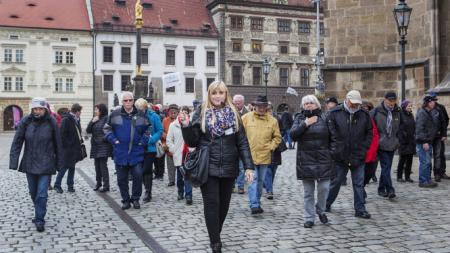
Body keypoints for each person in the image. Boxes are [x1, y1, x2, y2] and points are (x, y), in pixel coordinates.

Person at [179, 81, 254, 253]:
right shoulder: (201, 112)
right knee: (212, 204)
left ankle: (215, 232)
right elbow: (192, 141)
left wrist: (249, 166)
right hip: (208, 165)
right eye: (214, 93)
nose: (217, 96)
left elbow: (242, 142)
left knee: (224, 205)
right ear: (209, 94)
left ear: (226, 94)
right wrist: (186, 126)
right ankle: (215, 242)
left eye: (221, 92)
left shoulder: (234, 113)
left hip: (229, 165)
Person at [9, 97, 63, 232]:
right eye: (35, 109)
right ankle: (39, 209)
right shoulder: (25, 122)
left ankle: (40, 219)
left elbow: (58, 144)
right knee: (33, 193)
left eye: (40, 109)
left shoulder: (51, 123)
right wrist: (13, 162)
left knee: (42, 194)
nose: (38, 111)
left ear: (45, 109)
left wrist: (59, 163)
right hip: (30, 162)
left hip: (46, 163)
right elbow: (17, 142)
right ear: (32, 109)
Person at [326, 90, 373, 219]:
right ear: (347, 100)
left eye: (357, 103)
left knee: (358, 183)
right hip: (340, 155)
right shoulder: (334, 113)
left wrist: (364, 148)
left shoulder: (364, 114)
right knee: (335, 182)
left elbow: (369, 133)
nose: (355, 106)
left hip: (358, 154)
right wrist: (335, 149)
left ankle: (360, 209)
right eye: (353, 103)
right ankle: (326, 203)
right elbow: (330, 134)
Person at [290, 95, 334, 228]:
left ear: (317, 105)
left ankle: (320, 209)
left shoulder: (325, 117)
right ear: (303, 106)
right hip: (306, 160)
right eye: (306, 103)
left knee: (324, 188)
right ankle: (309, 218)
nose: (308, 105)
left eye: (311, 103)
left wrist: (331, 154)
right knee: (308, 192)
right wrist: (305, 124)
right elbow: (292, 135)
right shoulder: (299, 118)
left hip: (324, 159)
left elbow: (334, 137)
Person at [104, 92, 151, 209]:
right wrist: (114, 140)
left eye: (130, 100)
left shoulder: (140, 114)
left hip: (136, 152)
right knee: (121, 179)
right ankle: (125, 200)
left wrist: (143, 141)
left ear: (133, 100)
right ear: (122, 102)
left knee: (138, 176)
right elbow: (106, 129)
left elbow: (148, 128)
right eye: (126, 100)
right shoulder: (115, 114)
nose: (128, 102)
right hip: (121, 152)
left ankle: (135, 198)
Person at [242, 95, 282, 215]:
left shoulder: (272, 120)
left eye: (263, 106)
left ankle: (257, 202)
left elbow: (277, 137)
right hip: (250, 156)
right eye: (258, 105)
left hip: (265, 156)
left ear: (266, 107)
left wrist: (271, 147)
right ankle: (254, 205)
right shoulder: (245, 118)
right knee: (252, 180)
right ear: (254, 106)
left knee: (260, 181)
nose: (261, 108)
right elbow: (240, 136)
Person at [371, 92, 401, 199]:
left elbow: (401, 127)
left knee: (386, 167)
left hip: (392, 144)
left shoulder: (398, 111)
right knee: (386, 167)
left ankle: (381, 188)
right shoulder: (376, 111)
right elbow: (370, 127)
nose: (392, 103)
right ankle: (390, 189)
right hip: (381, 144)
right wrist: (376, 141)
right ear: (385, 100)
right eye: (390, 100)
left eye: (394, 100)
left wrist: (398, 140)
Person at [135, 99, 163, 203]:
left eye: (142, 109)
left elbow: (159, 130)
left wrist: (151, 140)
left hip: (150, 148)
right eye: (138, 109)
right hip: (138, 147)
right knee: (139, 170)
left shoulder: (154, 116)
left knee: (147, 169)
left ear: (146, 107)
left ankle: (148, 192)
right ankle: (146, 187)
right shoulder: (135, 116)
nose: (140, 111)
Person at [54, 103, 84, 194]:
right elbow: (62, 134)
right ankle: (57, 185)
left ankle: (70, 186)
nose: (80, 113)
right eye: (80, 112)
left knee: (72, 167)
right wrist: (68, 144)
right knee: (64, 167)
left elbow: (77, 132)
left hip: (74, 148)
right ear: (77, 111)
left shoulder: (76, 119)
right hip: (67, 149)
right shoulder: (66, 119)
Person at [167, 106, 193, 205]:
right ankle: (180, 192)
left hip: (189, 153)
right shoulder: (173, 125)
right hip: (179, 154)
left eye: (185, 112)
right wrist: (173, 149)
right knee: (179, 176)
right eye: (182, 112)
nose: (183, 114)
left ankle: (189, 195)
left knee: (188, 175)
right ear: (179, 113)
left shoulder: (191, 123)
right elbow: (169, 140)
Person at [86, 103, 112, 192]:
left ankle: (106, 185)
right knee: (97, 166)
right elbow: (88, 130)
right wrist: (92, 122)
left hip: (103, 145)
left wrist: (103, 139)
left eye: (96, 109)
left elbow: (109, 131)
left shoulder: (107, 119)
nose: (95, 111)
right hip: (95, 145)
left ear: (101, 110)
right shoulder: (95, 119)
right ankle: (98, 183)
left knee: (103, 166)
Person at [416, 95, 439, 188]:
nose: (434, 103)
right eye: (432, 101)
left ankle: (428, 179)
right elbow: (420, 128)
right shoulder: (422, 113)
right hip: (423, 142)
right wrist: (424, 141)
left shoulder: (429, 112)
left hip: (429, 141)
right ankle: (423, 181)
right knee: (425, 162)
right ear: (428, 103)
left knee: (428, 162)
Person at [264, 103, 284, 200]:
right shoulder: (262, 119)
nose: (268, 112)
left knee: (273, 169)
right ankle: (269, 190)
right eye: (266, 110)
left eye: (269, 110)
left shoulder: (277, 119)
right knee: (267, 170)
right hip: (265, 148)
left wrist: (276, 138)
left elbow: (282, 130)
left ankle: (268, 185)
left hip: (276, 148)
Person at [429, 92, 450, 181]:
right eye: (432, 99)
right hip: (429, 136)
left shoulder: (440, 107)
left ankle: (441, 172)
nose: (434, 101)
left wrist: (443, 133)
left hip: (439, 135)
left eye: (435, 99)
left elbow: (445, 120)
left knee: (440, 154)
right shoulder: (426, 108)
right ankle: (430, 173)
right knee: (429, 155)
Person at [361, 101, 379, 202]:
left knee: (370, 172)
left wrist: (373, 148)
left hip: (371, 152)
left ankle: (362, 186)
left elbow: (375, 134)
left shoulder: (371, 119)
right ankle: (360, 193)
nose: (365, 110)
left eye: (367, 108)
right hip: (360, 152)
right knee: (360, 175)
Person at [232, 94, 248, 194]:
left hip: (242, 143)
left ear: (243, 103)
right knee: (232, 166)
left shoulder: (248, 113)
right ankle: (232, 185)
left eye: (239, 103)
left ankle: (241, 186)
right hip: (232, 144)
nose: (237, 105)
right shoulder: (230, 112)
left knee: (242, 167)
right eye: (235, 103)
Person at [397, 100, 415, 183]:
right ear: (404, 107)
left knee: (410, 160)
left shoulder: (411, 115)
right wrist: (402, 137)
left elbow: (413, 126)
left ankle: (407, 176)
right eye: (409, 106)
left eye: (411, 106)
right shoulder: (400, 114)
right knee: (402, 160)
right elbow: (398, 128)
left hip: (411, 141)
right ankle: (399, 176)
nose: (410, 108)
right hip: (403, 141)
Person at [162, 104, 179, 187]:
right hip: (169, 145)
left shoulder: (180, 120)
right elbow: (162, 131)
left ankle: (181, 179)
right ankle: (171, 180)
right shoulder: (165, 120)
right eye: (171, 110)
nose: (173, 112)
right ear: (168, 112)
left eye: (175, 110)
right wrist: (166, 136)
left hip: (179, 145)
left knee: (180, 165)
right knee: (170, 164)